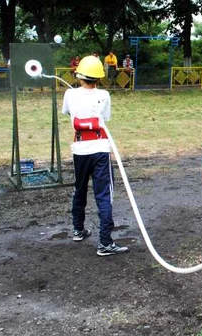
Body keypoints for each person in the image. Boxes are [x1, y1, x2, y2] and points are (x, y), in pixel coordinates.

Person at [61, 56, 128, 256]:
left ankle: (78, 229)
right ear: (99, 77)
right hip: (100, 148)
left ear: (79, 75)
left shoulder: (69, 94)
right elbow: (104, 119)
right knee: (104, 194)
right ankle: (105, 242)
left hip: (80, 149)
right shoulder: (104, 95)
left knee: (79, 189)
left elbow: (66, 112)